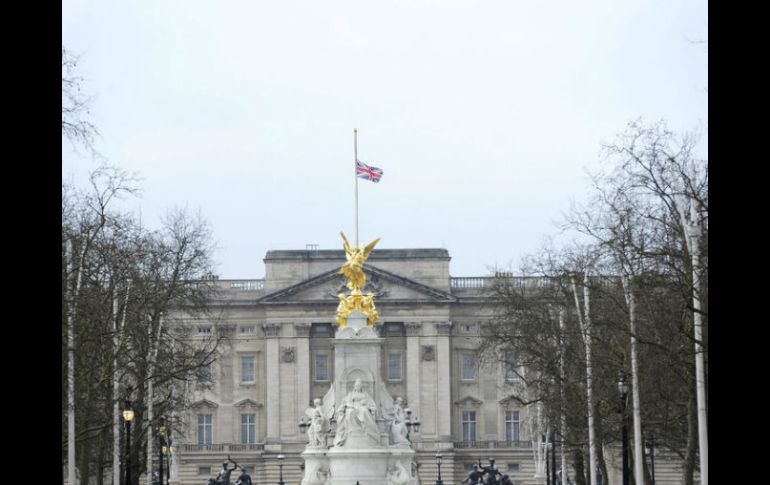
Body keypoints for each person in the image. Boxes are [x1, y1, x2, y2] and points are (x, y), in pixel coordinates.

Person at [333, 378, 379, 447]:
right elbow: (345, 401)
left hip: (362, 407)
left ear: (361, 387)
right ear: (354, 387)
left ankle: (364, 429)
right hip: (352, 406)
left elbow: (371, 402)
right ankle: (351, 431)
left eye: (359, 386)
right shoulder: (351, 394)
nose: (358, 387)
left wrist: (366, 403)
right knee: (350, 412)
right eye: (357, 386)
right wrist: (348, 405)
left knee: (364, 412)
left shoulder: (365, 394)